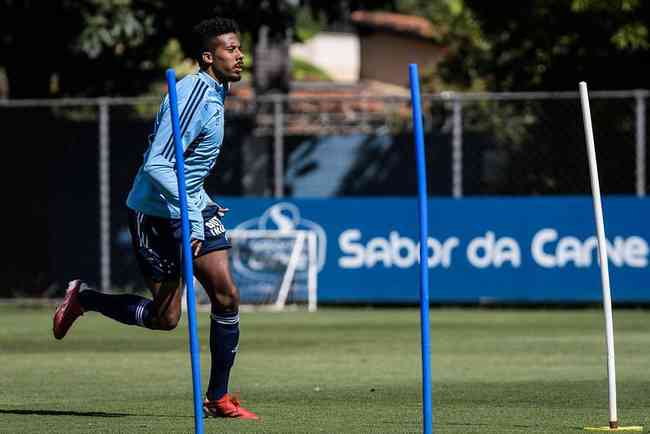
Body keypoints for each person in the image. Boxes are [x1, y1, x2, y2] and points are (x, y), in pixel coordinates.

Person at [52, 17, 258, 420]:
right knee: (166, 319)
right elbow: (158, 165)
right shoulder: (195, 91)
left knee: (227, 295)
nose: (240, 55)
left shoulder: (218, 90)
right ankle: (85, 298)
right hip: (156, 212)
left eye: (239, 48)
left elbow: (189, 165)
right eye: (231, 49)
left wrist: (203, 201)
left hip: (189, 205)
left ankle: (218, 398)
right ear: (207, 56)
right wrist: (191, 216)